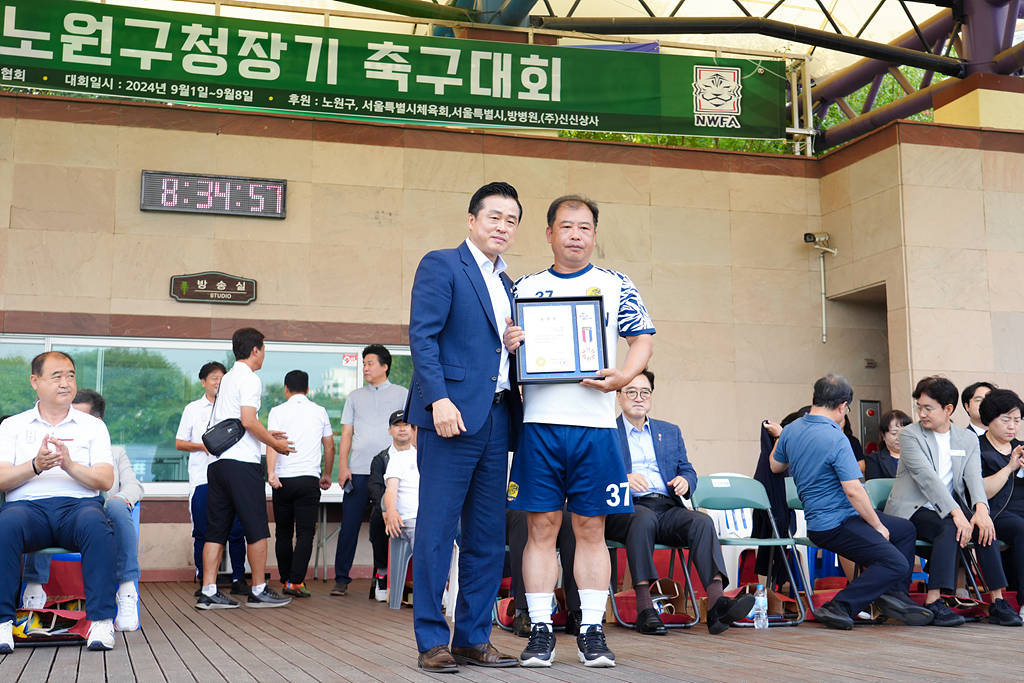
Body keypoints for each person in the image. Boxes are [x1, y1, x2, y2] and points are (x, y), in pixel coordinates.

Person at [505, 194, 654, 668]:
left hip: (594, 427)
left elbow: (642, 338)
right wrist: (510, 343)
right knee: (541, 529)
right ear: (548, 233)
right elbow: (503, 352)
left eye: (584, 227)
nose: (575, 235)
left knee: (591, 529)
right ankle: (542, 629)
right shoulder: (522, 287)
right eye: (566, 226)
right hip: (540, 427)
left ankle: (591, 629)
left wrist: (625, 377)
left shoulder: (615, 284)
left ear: (593, 234)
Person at [405, 181, 524, 673]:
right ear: (472, 221)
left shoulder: (508, 283)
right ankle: (432, 639)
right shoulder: (441, 264)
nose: (502, 226)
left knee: (486, 536)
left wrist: (514, 340)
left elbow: (492, 348)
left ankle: (473, 639)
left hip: (497, 417)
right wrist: (439, 400)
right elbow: (422, 336)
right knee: (435, 531)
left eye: (511, 220)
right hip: (450, 416)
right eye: (494, 217)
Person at [770, 374, 933, 630]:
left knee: (904, 530)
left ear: (813, 399)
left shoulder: (791, 430)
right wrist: (877, 525)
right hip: (836, 523)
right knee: (896, 562)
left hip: (823, 520)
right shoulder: (837, 438)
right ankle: (840, 604)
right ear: (843, 406)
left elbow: (775, 465)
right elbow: (854, 491)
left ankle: (894, 595)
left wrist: (784, 439)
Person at [607, 369, 754, 635]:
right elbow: (593, 473)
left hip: (667, 507)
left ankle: (717, 603)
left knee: (701, 521)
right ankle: (645, 609)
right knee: (642, 518)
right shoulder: (607, 431)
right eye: (631, 392)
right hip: (627, 509)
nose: (638, 398)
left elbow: (687, 470)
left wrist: (686, 482)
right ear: (619, 396)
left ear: (651, 397)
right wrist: (622, 479)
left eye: (645, 392)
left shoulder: (669, 431)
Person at [0, 352, 118, 652]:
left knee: (97, 524)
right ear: (34, 381)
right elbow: (2, 479)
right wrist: (36, 465)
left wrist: (69, 465)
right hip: (26, 509)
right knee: (5, 525)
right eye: (57, 376)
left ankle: (101, 622)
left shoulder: (93, 426)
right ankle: (3, 623)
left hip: (77, 508)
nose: (66, 383)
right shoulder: (12, 426)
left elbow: (105, 480)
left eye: (71, 375)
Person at [884, 376, 1022, 627]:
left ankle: (998, 601)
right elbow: (927, 480)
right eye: (919, 407)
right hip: (914, 508)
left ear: (948, 409)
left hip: (949, 509)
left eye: (928, 408)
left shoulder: (966, 439)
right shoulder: (910, 435)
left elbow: (973, 479)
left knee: (984, 525)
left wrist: (981, 509)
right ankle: (934, 601)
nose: (922, 413)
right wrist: (958, 513)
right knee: (950, 526)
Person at [21, 389, 143, 632]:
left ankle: (127, 590)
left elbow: (134, 485)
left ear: (96, 422)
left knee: (117, 506)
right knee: (41, 503)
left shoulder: (115, 452)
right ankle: (34, 588)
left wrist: (119, 498)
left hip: (105, 516)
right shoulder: (53, 449)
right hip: (69, 518)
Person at [195, 327, 294, 610]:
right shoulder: (250, 379)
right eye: (263, 349)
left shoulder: (226, 379)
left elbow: (237, 422)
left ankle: (209, 591)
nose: (264, 355)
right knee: (257, 528)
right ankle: (259, 589)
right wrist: (277, 446)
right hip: (242, 464)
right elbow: (248, 421)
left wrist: (268, 433)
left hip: (217, 465)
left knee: (216, 530)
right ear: (255, 351)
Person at [332, 344, 408, 599]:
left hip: (392, 471)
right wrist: (343, 467)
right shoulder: (354, 397)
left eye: (370, 363)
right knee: (349, 526)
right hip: (358, 471)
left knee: (385, 525)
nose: (365, 367)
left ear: (385, 366)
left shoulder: (403, 394)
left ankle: (382, 575)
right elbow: (346, 434)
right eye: (364, 363)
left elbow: (413, 431)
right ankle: (341, 579)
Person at [175, 362, 249, 597]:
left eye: (222, 378)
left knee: (237, 530)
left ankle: (239, 578)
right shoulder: (193, 409)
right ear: (203, 382)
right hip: (201, 479)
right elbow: (179, 443)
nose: (218, 381)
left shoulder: (235, 407)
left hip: (230, 479)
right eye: (214, 377)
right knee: (203, 532)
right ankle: (205, 581)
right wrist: (203, 446)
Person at [267, 370, 334, 598]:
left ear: (286, 389)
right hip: (308, 480)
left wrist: (271, 472)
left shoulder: (276, 411)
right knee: (305, 533)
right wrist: (326, 474)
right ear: (307, 390)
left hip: (283, 480)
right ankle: (296, 582)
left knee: (283, 533)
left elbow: (273, 442)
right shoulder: (319, 411)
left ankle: (286, 578)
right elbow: (329, 446)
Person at [977, 388, 1024, 614]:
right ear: (989, 419)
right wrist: (1009, 468)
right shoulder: (977, 447)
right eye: (1006, 420)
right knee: (1021, 528)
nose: (1012, 426)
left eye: (1017, 420)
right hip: (995, 512)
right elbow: (981, 492)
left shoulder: (1022, 447)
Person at [505, 508, 580, 637]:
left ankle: (576, 612)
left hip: (551, 507)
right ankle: (523, 611)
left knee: (571, 514)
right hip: (508, 507)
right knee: (525, 514)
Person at [382, 411, 418, 551]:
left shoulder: (426, 457)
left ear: (413, 430)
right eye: (398, 425)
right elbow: (390, 490)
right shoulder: (397, 458)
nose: (402, 429)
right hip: (408, 520)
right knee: (424, 537)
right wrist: (390, 510)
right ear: (390, 431)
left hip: (429, 519)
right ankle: (426, 573)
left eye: (406, 425)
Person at [863, 410, 912, 481]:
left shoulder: (920, 455)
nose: (900, 438)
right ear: (883, 435)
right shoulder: (874, 460)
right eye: (894, 433)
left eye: (904, 433)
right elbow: (875, 488)